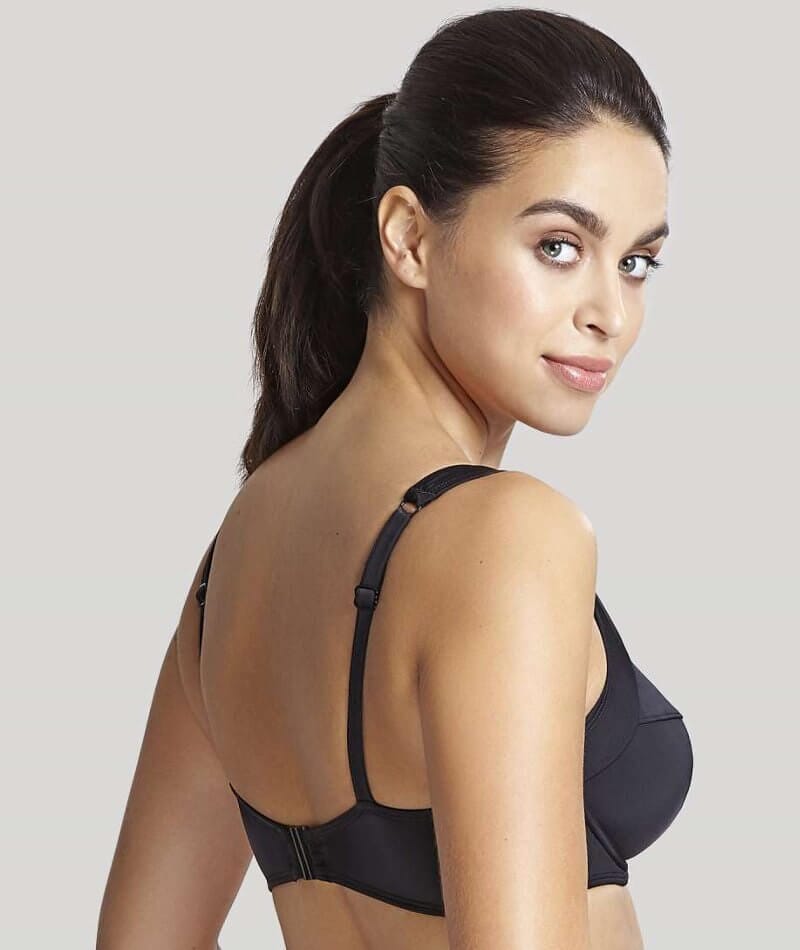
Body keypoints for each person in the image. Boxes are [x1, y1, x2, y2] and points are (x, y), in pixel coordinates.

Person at [96, 8, 693, 949]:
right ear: (409, 237)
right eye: (559, 247)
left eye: (638, 263)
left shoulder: (233, 564)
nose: (610, 313)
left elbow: (137, 940)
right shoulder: (508, 536)